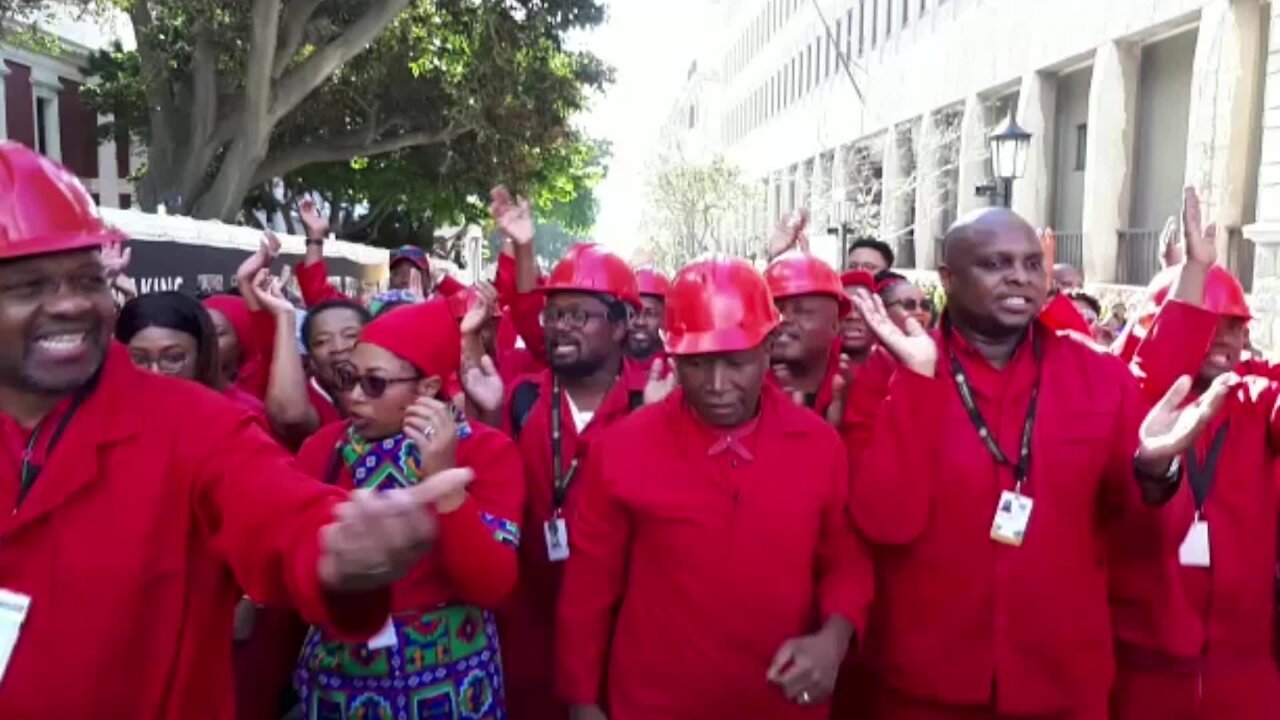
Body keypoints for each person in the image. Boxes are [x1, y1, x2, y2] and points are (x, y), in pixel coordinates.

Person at [0, 141, 474, 719]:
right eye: (28, 287)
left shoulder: (196, 426)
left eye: (85, 279)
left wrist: (340, 545)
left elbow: (285, 513)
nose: (72, 305)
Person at [841, 205, 1227, 719]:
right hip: (926, 685)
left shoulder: (1093, 375)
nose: (1019, 277)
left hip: (1062, 684)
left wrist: (1155, 471)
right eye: (996, 264)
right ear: (947, 278)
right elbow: (883, 521)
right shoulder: (890, 376)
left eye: (1030, 264)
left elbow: (1141, 518)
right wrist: (917, 383)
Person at [556, 255, 873, 720]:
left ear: (767, 348)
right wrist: (582, 702)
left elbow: (845, 562)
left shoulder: (820, 447)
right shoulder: (622, 449)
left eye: (736, 362)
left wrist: (834, 639)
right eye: (698, 364)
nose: (717, 385)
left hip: (781, 705)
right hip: (654, 705)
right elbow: (589, 589)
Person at [294, 298, 524, 719]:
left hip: (453, 685)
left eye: (375, 383)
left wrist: (445, 488)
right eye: (348, 379)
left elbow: (491, 585)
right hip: (342, 683)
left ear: (428, 388)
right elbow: (299, 576)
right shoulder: (322, 450)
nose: (354, 397)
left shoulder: (486, 452)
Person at [1109, 188, 1280, 720]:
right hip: (1143, 671)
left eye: (1236, 325)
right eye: (1213, 322)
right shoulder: (1126, 400)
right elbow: (1153, 372)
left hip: (1245, 670)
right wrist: (1191, 279)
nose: (1228, 338)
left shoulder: (1255, 397)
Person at [487, 213, 649, 717]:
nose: (560, 327)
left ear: (622, 326)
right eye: (554, 315)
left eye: (579, 315)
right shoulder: (519, 400)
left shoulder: (655, 405)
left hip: (624, 637)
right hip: (528, 630)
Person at [765, 249, 850, 420]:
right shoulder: (736, 390)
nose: (784, 319)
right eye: (774, 310)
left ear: (836, 326)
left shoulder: (857, 386)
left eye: (803, 311)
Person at [626, 267, 669, 369]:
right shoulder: (607, 363)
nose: (640, 322)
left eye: (650, 314)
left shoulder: (676, 367)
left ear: (663, 318)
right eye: (633, 312)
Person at [840, 271, 877, 367]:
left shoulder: (893, 366)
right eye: (845, 308)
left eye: (862, 308)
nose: (852, 316)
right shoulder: (811, 372)